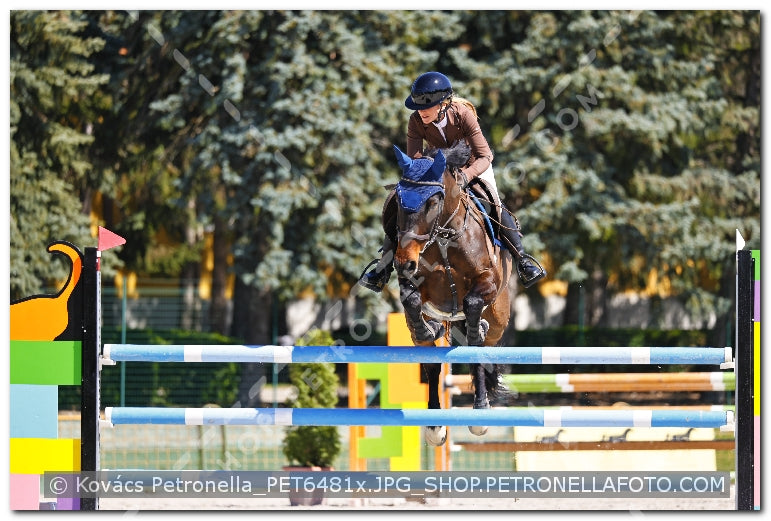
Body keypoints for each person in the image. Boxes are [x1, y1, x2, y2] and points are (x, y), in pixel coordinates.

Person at [359, 71, 546, 292]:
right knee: (402, 202)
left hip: (473, 166)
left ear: (444, 104)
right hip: (437, 170)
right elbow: (416, 160)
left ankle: (522, 259)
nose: (420, 112)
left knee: (492, 200)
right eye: (417, 107)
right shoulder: (415, 121)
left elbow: (486, 155)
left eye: (426, 107)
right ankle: (383, 267)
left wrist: (465, 177)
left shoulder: (463, 114)